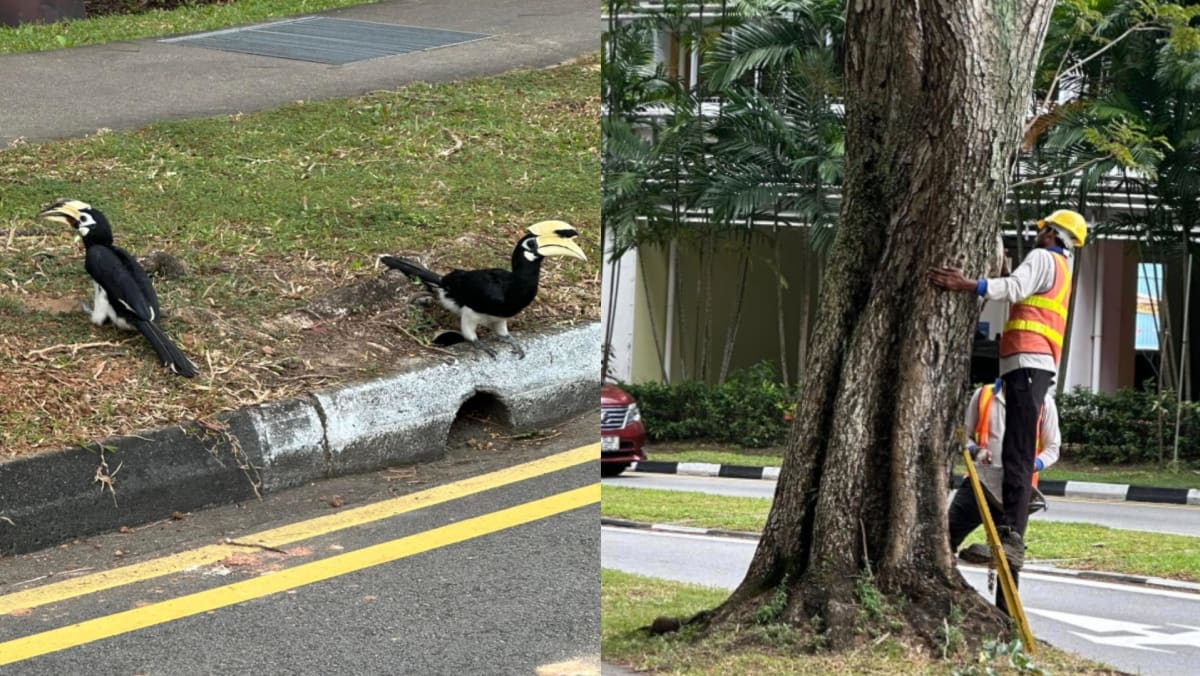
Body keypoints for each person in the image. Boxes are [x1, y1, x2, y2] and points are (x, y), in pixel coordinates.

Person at [931, 209, 1086, 571]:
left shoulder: (1042, 257)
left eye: (1042, 228)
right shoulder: (1061, 266)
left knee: (1018, 454)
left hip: (1029, 362)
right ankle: (1010, 539)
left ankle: (1011, 539)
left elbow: (1014, 288)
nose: (1037, 233)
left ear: (1052, 233)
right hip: (1033, 364)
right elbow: (1020, 291)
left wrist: (966, 284)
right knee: (1018, 452)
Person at [947, 378, 1060, 613]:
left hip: (1016, 490)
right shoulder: (983, 396)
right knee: (946, 535)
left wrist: (1033, 465)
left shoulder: (1044, 403)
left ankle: (1006, 617)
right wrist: (976, 450)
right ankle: (945, 594)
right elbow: (964, 435)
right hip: (979, 482)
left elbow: (1053, 448)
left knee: (1009, 557)